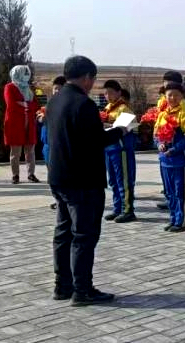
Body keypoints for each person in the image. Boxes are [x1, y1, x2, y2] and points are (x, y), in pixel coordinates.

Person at [48, 55, 129, 306]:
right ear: (86, 78)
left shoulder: (55, 100)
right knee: (83, 235)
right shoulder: (84, 104)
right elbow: (94, 141)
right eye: (92, 79)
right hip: (82, 180)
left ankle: (62, 285)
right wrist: (120, 130)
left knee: (63, 233)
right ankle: (82, 290)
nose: (92, 84)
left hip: (59, 176)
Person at [155, 83, 185, 232]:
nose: (172, 98)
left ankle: (182, 222)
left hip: (179, 161)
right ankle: (173, 218)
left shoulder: (184, 115)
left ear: (182, 96)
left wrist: (174, 149)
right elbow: (156, 134)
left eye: (176, 95)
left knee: (181, 193)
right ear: (165, 97)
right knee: (169, 192)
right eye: (169, 95)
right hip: (165, 161)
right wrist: (159, 143)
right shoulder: (162, 114)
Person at [101, 80, 137, 223]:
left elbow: (125, 128)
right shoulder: (108, 108)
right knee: (113, 181)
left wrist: (107, 125)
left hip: (121, 149)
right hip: (109, 149)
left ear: (119, 93)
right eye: (105, 93)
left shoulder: (124, 109)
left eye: (110, 92)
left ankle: (128, 210)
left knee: (124, 180)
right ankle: (117, 208)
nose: (108, 96)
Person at [4, 65, 40, 184]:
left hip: (29, 123)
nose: (26, 75)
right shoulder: (9, 87)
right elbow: (11, 105)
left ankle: (31, 174)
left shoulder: (28, 88)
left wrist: (24, 105)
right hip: (15, 124)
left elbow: (35, 105)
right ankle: (15, 175)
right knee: (16, 151)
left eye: (27, 73)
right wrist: (27, 106)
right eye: (24, 73)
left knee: (30, 150)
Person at [40, 76, 66, 210]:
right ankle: (57, 198)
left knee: (59, 175)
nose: (56, 91)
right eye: (55, 89)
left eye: (59, 89)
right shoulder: (49, 105)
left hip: (57, 146)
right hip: (46, 145)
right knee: (51, 175)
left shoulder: (64, 106)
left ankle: (62, 199)